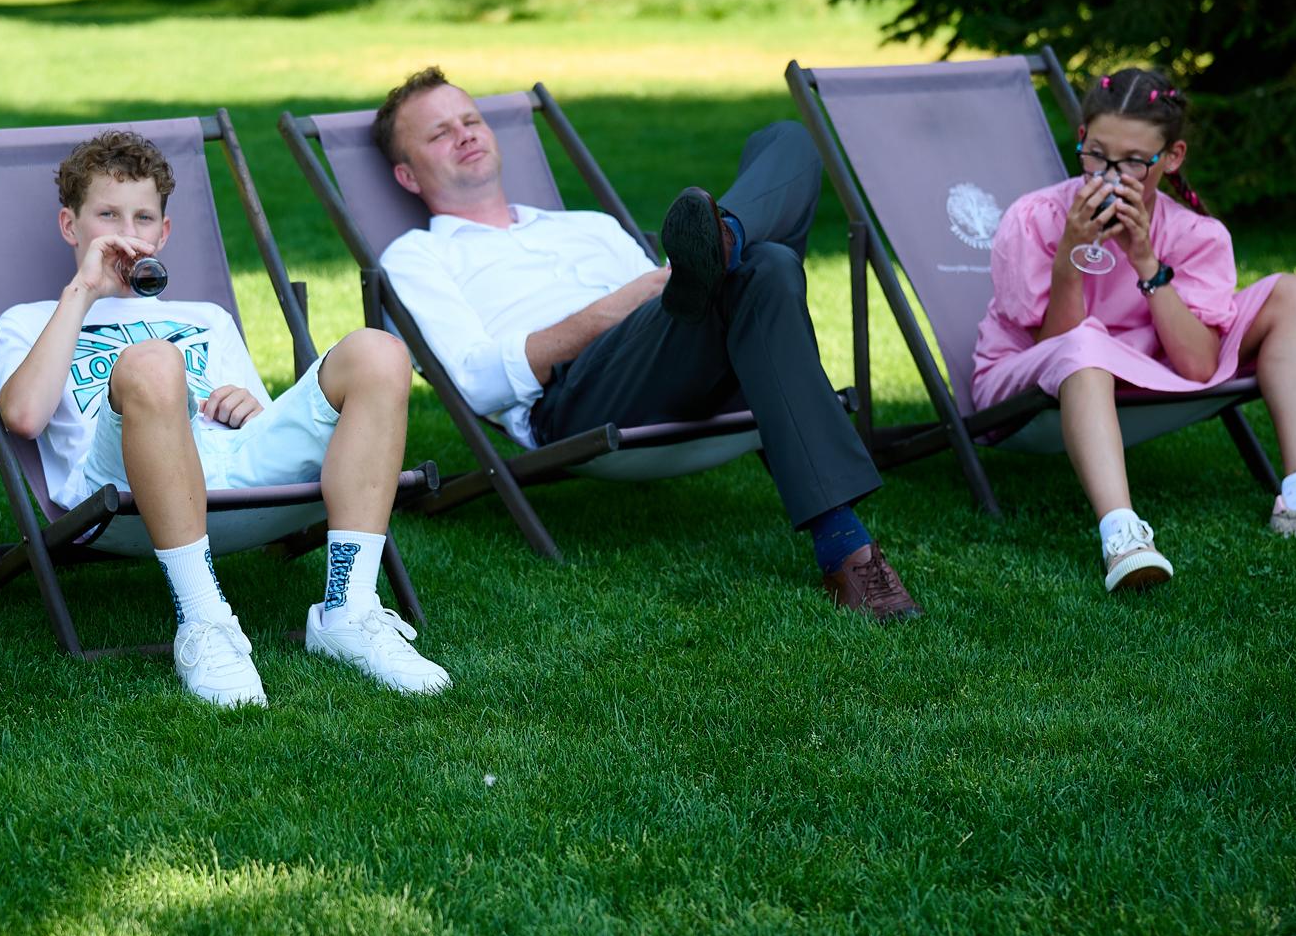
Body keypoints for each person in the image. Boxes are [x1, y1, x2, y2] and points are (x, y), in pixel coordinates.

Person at [374, 67, 921, 620]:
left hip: (676, 356)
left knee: (787, 147)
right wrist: (620, 305)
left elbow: (679, 303)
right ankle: (846, 547)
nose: (464, 134)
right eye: (440, 132)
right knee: (766, 264)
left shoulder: (589, 225)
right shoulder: (415, 258)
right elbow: (475, 382)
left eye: (471, 120)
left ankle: (728, 238)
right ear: (407, 175)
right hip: (576, 396)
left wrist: (668, 287)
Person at [0, 131, 450, 707]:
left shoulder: (206, 316)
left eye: (143, 218)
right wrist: (83, 291)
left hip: (232, 464)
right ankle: (204, 621)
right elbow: (23, 415)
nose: (127, 233)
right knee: (154, 362)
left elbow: (260, 423)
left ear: (163, 232)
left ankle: (349, 612)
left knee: (379, 351)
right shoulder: (32, 320)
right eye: (107, 216)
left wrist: (244, 404)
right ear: (70, 226)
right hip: (118, 480)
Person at [973, 68, 1296, 593]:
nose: (1111, 176)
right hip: (1029, 377)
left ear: (1172, 158)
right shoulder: (1034, 219)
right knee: (1086, 343)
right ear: (1081, 139)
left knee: (1294, 293)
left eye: (1134, 162)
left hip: (1150, 366)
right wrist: (1070, 257)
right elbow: (1053, 347)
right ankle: (1122, 533)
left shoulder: (1194, 233)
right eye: (1096, 155)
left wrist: (1146, 261)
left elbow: (1198, 366)